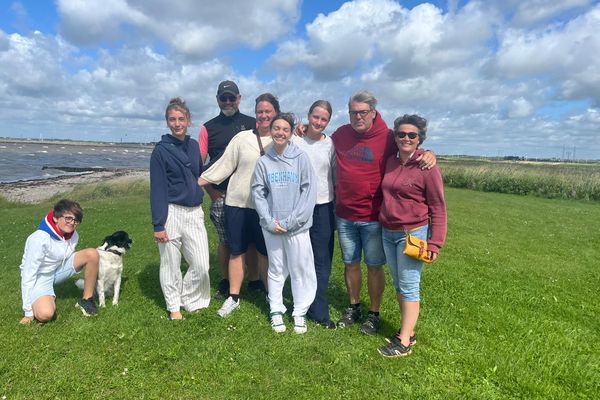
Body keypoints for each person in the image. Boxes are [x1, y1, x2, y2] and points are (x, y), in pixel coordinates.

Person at [330, 90, 436, 335]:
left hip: (374, 217)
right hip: (345, 214)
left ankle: (374, 313)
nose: (358, 117)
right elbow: (318, 140)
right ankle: (353, 306)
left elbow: (409, 146)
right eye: (353, 112)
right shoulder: (341, 134)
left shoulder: (388, 136)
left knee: (374, 266)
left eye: (363, 112)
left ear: (373, 113)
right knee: (350, 263)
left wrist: (429, 153)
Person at [198, 93, 279, 318]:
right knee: (237, 251)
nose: (263, 116)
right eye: (260, 111)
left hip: (266, 207)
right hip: (237, 203)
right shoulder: (242, 138)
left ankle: (270, 295)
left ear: (276, 113)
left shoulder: (282, 138)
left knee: (264, 253)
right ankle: (233, 297)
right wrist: (195, 183)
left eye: (268, 112)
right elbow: (224, 165)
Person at [377, 114, 447, 357]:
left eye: (412, 135)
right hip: (388, 232)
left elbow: (438, 207)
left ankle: (404, 342)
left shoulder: (427, 166)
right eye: (401, 134)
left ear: (420, 139)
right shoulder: (391, 161)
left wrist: (435, 244)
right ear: (395, 137)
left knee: (409, 287)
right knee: (399, 284)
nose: (406, 138)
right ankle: (409, 331)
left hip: (413, 233)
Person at [252, 112, 317, 334]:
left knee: (300, 268)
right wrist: (269, 222)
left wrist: (291, 221)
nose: (280, 132)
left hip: (297, 226)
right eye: (276, 128)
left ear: (290, 133)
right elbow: (258, 193)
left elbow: (309, 191)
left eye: (285, 129)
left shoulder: (301, 158)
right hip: (272, 227)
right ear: (271, 130)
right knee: (276, 268)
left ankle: (299, 311)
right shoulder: (264, 161)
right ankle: (276, 309)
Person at [150, 97, 211, 321]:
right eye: (172, 120)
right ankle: (174, 306)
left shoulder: (194, 146)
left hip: (195, 211)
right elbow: (157, 189)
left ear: (188, 121)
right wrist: (158, 224)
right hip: (171, 212)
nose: (177, 123)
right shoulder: (160, 151)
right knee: (170, 264)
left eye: (181, 119)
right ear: (167, 122)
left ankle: (191, 298)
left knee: (201, 264)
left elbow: (198, 175)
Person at [291, 100, 337, 329]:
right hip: (298, 207)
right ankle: (299, 302)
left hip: (323, 207)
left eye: (324, 119)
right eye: (315, 117)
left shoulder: (331, 145)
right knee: (299, 259)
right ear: (308, 116)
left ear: (328, 121)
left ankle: (317, 309)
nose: (318, 122)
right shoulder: (294, 140)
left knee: (322, 261)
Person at [19, 199, 99, 324]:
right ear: (56, 218)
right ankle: (45, 297)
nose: (72, 223)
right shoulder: (39, 239)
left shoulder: (73, 235)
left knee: (92, 254)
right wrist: (28, 312)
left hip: (57, 270)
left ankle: (87, 299)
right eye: (68, 218)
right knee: (45, 315)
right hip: (40, 277)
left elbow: (66, 256)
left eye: (75, 220)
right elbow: (28, 274)